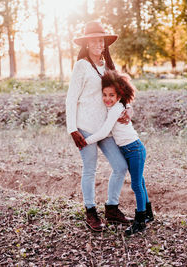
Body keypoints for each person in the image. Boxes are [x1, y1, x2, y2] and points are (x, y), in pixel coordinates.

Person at [65, 21, 133, 232]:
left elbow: (121, 92)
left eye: (101, 40)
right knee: (90, 169)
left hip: (105, 128)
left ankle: (112, 209)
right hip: (85, 126)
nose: (98, 43)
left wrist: (126, 110)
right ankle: (91, 211)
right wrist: (72, 129)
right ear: (86, 43)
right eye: (93, 40)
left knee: (120, 166)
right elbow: (71, 99)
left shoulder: (107, 66)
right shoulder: (81, 66)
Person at [83, 70, 154, 236]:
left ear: (119, 95)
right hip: (129, 150)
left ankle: (140, 221)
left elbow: (104, 132)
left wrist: (85, 141)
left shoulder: (116, 109)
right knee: (140, 183)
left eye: (111, 95)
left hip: (134, 149)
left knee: (137, 185)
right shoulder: (115, 106)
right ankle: (148, 214)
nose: (107, 99)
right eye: (105, 94)